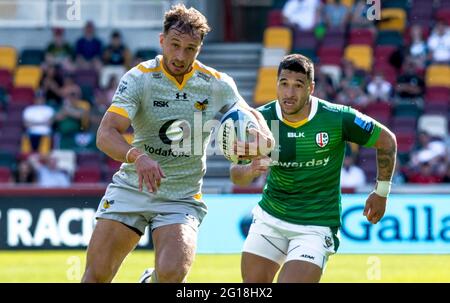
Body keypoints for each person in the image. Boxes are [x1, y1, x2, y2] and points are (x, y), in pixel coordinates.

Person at [81, 4, 274, 283]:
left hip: (181, 196)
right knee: (95, 277)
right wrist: (138, 156)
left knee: (172, 274)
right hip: (132, 187)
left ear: (199, 49)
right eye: (175, 45)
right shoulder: (139, 78)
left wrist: (263, 132)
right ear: (162, 41)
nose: (181, 56)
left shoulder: (216, 83)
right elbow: (106, 133)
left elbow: (248, 112)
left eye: (190, 49)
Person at [230, 54, 397, 283]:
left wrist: (381, 192)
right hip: (270, 218)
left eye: (298, 85)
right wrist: (250, 170)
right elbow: (235, 176)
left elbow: (387, 140)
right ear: (276, 83)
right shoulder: (260, 120)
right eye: (284, 84)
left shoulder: (337, 118)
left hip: (315, 225)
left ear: (311, 87)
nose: (289, 93)